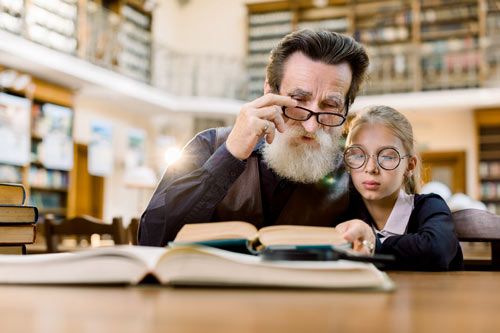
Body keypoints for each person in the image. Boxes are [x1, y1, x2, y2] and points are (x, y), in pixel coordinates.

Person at [139, 29, 375, 254]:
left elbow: (385, 244)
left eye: (330, 106)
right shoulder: (209, 144)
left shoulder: (354, 173)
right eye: (298, 101)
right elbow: (151, 240)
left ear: (346, 107)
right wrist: (229, 156)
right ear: (269, 91)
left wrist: (371, 240)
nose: (311, 126)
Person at [342, 105, 464, 270]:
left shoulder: (430, 206)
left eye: (386, 156)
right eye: (357, 155)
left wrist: (374, 244)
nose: (370, 168)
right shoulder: (344, 212)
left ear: (409, 166)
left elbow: (436, 251)